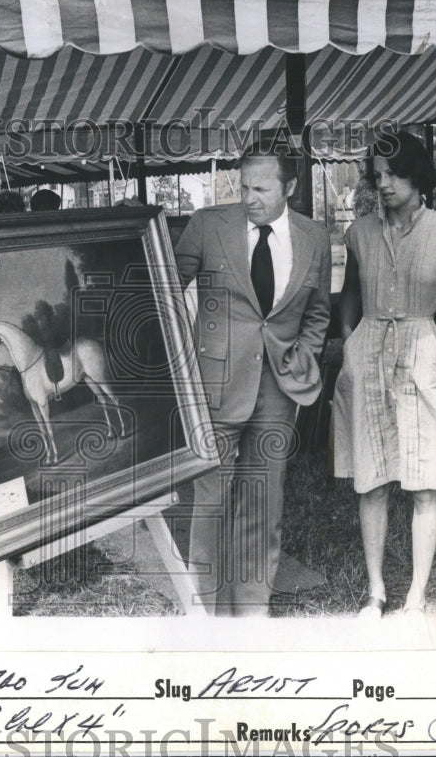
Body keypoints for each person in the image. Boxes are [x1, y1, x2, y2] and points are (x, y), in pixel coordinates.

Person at [175, 142, 332, 617]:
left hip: (279, 391)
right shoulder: (206, 225)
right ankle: (209, 616)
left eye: (261, 188)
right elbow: (163, 291)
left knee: (263, 505)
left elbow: (318, 313)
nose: (249, 197)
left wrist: (302, 355)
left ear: (290, 187)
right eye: (243, 186)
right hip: (216, 388)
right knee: (211, 504)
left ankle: (251, 613)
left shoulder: (315, 238)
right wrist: (186, 358)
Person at [332, 129, 436, 617]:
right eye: (378, 176)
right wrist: (351, 337)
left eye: (394, 174)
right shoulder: (360, 232)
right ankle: (375, 591)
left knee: (425, 478)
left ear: (418, 176)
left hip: (422, 351)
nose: (385, 184)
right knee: (372, 477)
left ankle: (416, 596)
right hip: (369, 352)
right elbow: (350, 289)